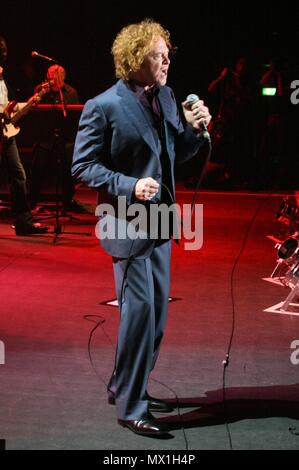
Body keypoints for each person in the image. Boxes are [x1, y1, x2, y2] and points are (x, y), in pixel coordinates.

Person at [72, 19, 211, 436]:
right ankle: (132, 406)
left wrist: (197, 132)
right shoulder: (103, 106)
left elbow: (176, 154)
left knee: (157, 316)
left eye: (167, 53)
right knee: (139, 314)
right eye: (157, 53)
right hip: (126, 222)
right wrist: (130, 185)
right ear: (134, 59)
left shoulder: (167, 97)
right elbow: (82, 166)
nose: (166, 59)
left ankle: (126, 384)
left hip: (160, 223)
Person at [0, 35, 48, 235]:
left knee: (18, 175)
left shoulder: (1, 77)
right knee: (18, 175)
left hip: (5, 134)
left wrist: (28, 103)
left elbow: (6, 107)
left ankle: (23, 222)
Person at [29, 64, 86, 213]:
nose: (54, 80)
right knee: (38, 167)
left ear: (63, 78)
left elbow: (76, 117)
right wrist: (42, 92)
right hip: (45, 137)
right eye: (51, 77)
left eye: (57, 77)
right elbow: (33, 112)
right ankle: (31, 201)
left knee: (69, 168)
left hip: (64, 137)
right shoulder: (41, 90)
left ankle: (68, 200)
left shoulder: (71, 92)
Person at [207, 56, 257, 187]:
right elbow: (211, 89)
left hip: (240, 121)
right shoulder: (228, 79)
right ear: (237, 65)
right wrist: (221, 77)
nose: (243, 67)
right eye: (241, 64)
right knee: (219, 147)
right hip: (224, 120)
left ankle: (234, 176)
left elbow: (249, 99)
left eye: (245, 65)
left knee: (238, 149)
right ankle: (216, 175)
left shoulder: (247, 82)